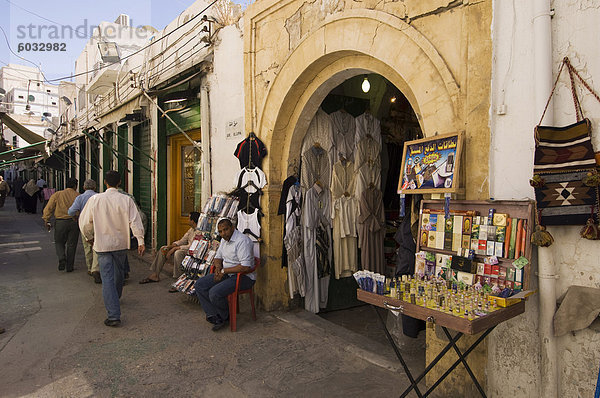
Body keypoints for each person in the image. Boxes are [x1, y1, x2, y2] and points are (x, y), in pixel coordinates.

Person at [79, 171, 145, 327]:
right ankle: (116, 298)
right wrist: (140, 240)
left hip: (102, 245)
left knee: (107, 278)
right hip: (120, 244)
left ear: (105, 182)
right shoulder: (126, 200)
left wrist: (90, 238)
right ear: (120, 182)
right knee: (119, 273)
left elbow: (84, 223)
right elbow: (136, 221)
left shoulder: (95, 199)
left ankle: (113, 314)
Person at [194, 218, 256, 331]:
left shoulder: (242, 241)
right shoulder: (224, 239)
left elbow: (245, 266)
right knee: (200, 284)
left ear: (232, 228)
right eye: (221, 231)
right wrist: (218, 268)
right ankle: (214, 315)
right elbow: (218, 257)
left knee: (214, 292)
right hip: (227, 273)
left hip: (243, 277)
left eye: (226, 230)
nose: (223, 233)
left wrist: (223, 271)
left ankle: (225, 316)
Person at [139, 212, 200, 289]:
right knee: (163, 249)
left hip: (191, 252)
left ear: (193, 221)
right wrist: (170, 246)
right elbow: (182, 240)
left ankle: (178, 279)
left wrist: (175, 248)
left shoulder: (199, 232)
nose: (187, 220)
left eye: (189, 219)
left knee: (178, 253)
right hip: (184, 248)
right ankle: (156, 274)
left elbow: (192, 246)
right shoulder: (191, 230)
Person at [42, 178, 80, 272]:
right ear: (76, 186)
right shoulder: (78, 195)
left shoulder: (57, 194)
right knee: (72, 244)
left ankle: (62, 257)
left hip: (60, 222)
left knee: (59, 242)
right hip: (74, 221)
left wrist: (46, 219)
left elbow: (49, 208)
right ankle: (69, 266)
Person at [68, 179, 100, 283]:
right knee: (97, 246)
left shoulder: (80, 198)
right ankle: (96, 268)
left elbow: (71, 211)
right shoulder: (99, 197)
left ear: (84, 187)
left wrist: (76, 216)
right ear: (95, 187)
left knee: (87, 247)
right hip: (98, 224)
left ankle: (90, 268)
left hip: (85, 225)